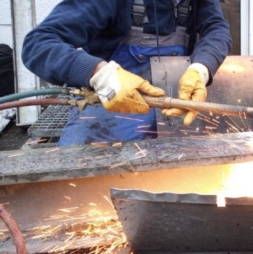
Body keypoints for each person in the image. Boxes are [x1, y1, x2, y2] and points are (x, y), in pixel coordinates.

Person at [22, 0, 232, 146]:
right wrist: (100, 73)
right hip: (112, 109)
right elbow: (38, 44)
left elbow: (216, 29)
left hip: (174, 108)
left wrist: (201, 68)